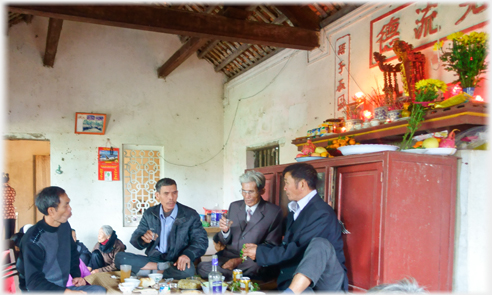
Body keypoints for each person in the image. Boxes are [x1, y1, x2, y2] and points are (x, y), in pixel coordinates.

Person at [243, 163, 348, 292]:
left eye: (287, 183)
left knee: (319, 245)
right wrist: (259, 248)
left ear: (302, 184)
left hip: (323, 282)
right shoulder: (296, 209)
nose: (285, 188)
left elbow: (298, 249)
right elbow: (286, 243)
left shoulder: (321, 213)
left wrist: (260, 253)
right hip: (298, 278)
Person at [16, 186, 106, 293]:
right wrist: (67, 292)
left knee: (99, 291)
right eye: (66, 205)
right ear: (51, 211)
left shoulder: (64, 226)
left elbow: (73, 252)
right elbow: (33, 283)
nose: (70, 208)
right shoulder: (34, 240)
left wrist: (76, 276)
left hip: (63, 288)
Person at [197, 170, 283, 281]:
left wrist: (239, 260)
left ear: (262, 191)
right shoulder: (234, 207)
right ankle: (236, 277)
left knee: (256, 268)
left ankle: (222, 276)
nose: (247, 196)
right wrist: (224, 231)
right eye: (244, 191)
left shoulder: (273, 212)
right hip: (227, 256)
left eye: (251, 192)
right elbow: (223, 241)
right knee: (202, 267)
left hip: (251, 260)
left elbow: (272, 245)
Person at [115, 178, 208, 279]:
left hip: (176, 261)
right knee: (120, 257)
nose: (171, 198)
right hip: (153, 259)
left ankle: (147, 272)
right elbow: (134, 240)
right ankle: (159, 269)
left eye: (174, 193)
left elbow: (201, 241)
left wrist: (187, 255)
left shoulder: (190, 215)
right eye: (166, 193)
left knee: (188, 271)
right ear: (157, 195)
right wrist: (143, 239)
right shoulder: (150, 214)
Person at [3, 173, 16, 239]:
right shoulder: (12, 190)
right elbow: (13, 200)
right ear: (8, 180)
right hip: (11, 213)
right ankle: (9, 248)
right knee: (10, 235)